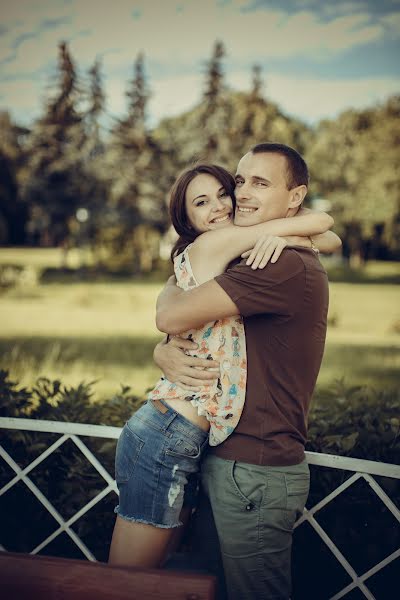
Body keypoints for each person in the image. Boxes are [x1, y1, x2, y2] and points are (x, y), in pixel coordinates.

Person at [109, 158, 339, 573]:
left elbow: (328, 236)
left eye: (222, 193)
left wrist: (162, 349)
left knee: (161, 574)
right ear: (187, 218)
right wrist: (297, 233)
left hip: (182, 436)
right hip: (165, 435)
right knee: (128, 579)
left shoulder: (229, 246)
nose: (217, 206)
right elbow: (326, 227)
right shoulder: (219, 243)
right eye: (201, 203)